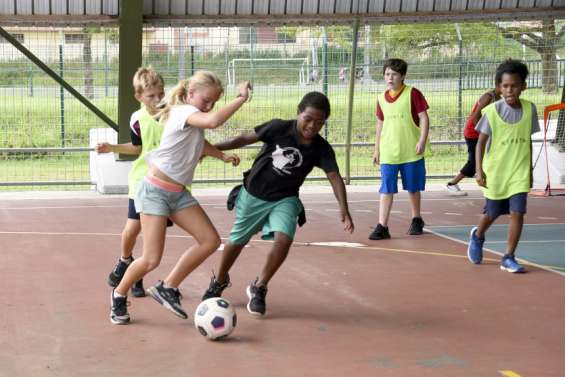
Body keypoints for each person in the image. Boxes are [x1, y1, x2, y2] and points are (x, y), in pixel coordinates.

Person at [109, 71, 251, 325]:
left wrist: (222, 156)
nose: (209, 107)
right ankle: (119, 295)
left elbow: (199, 141)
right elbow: (212, 122)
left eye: (213, 103)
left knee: (210, 240)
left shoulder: (191, 116)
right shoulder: (183, 111)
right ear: (190, 94)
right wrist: (240, 98)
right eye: (206, 101)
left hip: (177, 194)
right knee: (151, 259)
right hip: (155, 191)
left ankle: (168, 287)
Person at [200, 91, 354, 317]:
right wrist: (212, 149)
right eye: (308, 119)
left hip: (285, 198)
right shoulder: (279, 128)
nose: (312, 126)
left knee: (284, 239)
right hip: (254, 195)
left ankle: (259, 286)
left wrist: (344, 209)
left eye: (319, 122)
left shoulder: (321, 148)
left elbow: (334, 176)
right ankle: (221, 279)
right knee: (236, 242)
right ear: (299, 113)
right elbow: (242, 139)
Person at [96, 67, 166, 298]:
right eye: (151, 96)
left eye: (160, 94)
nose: (157, 99)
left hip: (169, 182)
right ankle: (125, 260)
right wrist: (112, 147)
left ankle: (138, 276)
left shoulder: (172, 114)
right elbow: (137, 147)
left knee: (150, 233)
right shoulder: (137, 118)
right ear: (139, 97)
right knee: (132, 230)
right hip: (142, 181)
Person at [467, 59, 539, 273]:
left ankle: (508, 257)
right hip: (496, 172)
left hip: (519, 171)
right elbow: (479, 143)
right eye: (505, 86)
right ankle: (478, 235)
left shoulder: (530, 109)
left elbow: (527, 142)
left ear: (523, 86)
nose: (510, 90)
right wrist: (479, 170)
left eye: (514, 85)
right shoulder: (492, 112)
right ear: (499, 88)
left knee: (518, 212)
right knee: (493, 212)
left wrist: (530, 170)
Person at [369, 58, 430, 240]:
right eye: (387, 74)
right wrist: (376, 149)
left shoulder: (413, 93)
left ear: (403, 76)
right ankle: (382, 225)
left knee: (412, 188)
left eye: (394, 74)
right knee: (386, 188)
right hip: (389, 151)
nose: (390, 78)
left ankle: (416, 218)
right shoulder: (381, 98)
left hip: (410, 149)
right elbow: (380, 123)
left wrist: (422, 140)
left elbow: (424, 118)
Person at [445, 88, 501, 196]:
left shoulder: (500, 98)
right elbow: (475, 117)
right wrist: (483, 134)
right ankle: (452, 184)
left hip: (483, 133)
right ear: (499, 84)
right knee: (474, 162)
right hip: (473, 133)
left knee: (489, 158)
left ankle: (494, 183)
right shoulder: (489, 97)